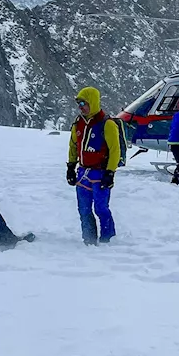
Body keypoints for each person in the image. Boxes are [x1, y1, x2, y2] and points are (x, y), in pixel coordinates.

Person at [67, 86, 120, 245]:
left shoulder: (107, 124)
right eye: (79, 103)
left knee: (100, 208)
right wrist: (71, 166)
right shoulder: (78, 123)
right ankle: (88, 240)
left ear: (93, 102)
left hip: (100, 173)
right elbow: (73, 146)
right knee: (83, 209)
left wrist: (110, 172)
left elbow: (115, 150)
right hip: (83, 173)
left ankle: (108, 238)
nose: (81, 106)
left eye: (84, 103)